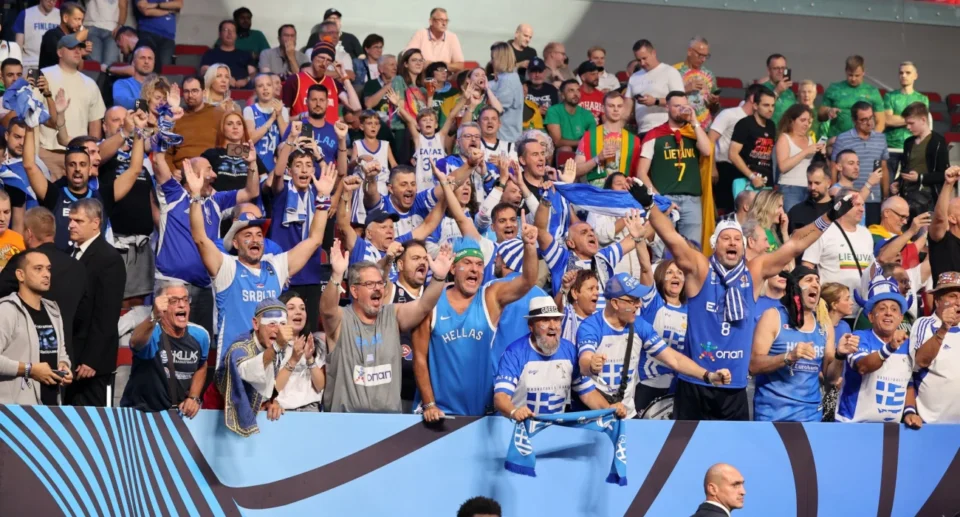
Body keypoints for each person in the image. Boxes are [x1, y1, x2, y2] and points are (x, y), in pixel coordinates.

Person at [632, 179, 853, 420]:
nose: (732, 242)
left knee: (732, 446)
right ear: (715, 244)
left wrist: (829, 217)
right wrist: (649, 205)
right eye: (726, 238)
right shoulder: (701, 269)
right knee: (688, 445)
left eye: (737, 239)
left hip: (734, 386)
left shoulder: (753, 273)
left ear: (744, 246)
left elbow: (795, 245)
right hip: (695, 382)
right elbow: (672, 238)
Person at [187, 157, 334, 363]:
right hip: (234, 366)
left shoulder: (276, 266)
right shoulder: (226, 267)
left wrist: (323, 199)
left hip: (270, 366)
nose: (255, 239)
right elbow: (200, 238)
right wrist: (195, 196)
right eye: (247, 235)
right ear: (235, 243)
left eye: (259, 235)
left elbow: (315, 239)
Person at [414, 228, 540, 420]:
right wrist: (429, 404)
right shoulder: (432, 302)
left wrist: (529, 246)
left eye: (480, 264)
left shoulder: (490, 298)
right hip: (440, 413)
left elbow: (527, 281)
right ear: (453, 268)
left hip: (482, 413)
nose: (474, 269)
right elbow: (419, 358)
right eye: (467, 263)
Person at [320, 240, 452, 413]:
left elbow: (423, 306)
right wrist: (337, 276)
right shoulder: (341, 320)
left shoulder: (393, 315)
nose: (377, 289)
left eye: (380, 283)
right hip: (346, 422)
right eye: (369, 284)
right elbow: (327, 310)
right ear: (354, 291)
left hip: (389, 422)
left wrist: (439, 278)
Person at [577, 272, 731, 419]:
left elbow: (674, 359)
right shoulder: (591, 327)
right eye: (633, 300)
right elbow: (584, 362)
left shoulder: (639, 325)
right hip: (595, 414)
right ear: (615, 303)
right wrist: (591, 365)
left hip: (627, 414)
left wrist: (708, 376)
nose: (639, 305)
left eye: (639, 299)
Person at [494, 296, 627, 419]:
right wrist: (514, 411)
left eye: (556, 320)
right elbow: (501, 397)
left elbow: (587, 393)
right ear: (531, 326)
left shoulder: (569, 350)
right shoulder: (514, 353)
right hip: (520, 430)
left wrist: (609, 410)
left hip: (555, 430)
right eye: (545, 320)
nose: (553, 326)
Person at [750, 266, 851, 421]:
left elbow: (830, 378)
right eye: (809, 280)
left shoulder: (824, 324)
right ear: (795, 287)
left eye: (817, 281)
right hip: (773, 413)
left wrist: (839, 355)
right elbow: (753, 365)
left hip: (810, 415)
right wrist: (788, 357)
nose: (815, 284)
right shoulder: (773, 317)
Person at [0, 207, 87, 358]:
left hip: (27, 356)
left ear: (29, 233)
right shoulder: (78, 267)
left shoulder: (23, 261)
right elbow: (83, 316)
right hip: (64, 357)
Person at [65, 198, 125, 406]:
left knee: (90, 422)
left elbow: (107, 315)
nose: (71, 225)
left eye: (78, 221)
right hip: (72, 357)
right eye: (70, 220)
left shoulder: (109, 259)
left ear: (95, 223)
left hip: (92, 365)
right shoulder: (71, 253)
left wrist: (91, 359)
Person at [120, 280, 207, 415]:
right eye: (174, 301)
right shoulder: (152, 333)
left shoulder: (200, 335)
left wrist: (193, 397)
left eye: (185, 300)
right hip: (141, 414)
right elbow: (135, 343)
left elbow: (201, 365)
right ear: (161, 306)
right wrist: (153, 315)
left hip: (177, 416)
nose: (182, 305)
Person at [637, 91, 712, 244]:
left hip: (692, 200)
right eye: (677, 106)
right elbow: (641, 173)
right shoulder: (654, 135)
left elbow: (707, 150)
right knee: (662, 247)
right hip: (665, 198)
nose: (682, 110)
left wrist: (695, 122)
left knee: (692, 248)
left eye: (685, 106)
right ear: (667, 107)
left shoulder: (694, 133)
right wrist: (658, 198)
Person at [0, 249, 72, 404]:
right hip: (15, 410)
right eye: (38, 269)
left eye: (48, 269)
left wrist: (64, 366)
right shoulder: (6, 310)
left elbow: (61, 352)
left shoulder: (53, 310)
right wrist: (29, 369)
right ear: (20, 275)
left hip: (50, 405)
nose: (46, 274)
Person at [836, 276, 911, 422]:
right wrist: (890, 347)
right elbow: (862, 366)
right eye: (882, 308)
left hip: (892, 429)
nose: (888, 313)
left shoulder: (908, 344)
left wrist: (910, 411)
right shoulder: (857, 338)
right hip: (853, 425)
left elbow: (910, 383)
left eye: (894, 309)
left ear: (900, 317)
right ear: (870, 317)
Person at [215, 298, 289, 436]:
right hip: (217, 413)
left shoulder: (278, 347)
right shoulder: (240, 348)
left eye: (283, 324)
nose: (279, 330)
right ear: (256, 324)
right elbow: (247, 371)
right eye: (272, 323)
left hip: (255, 412)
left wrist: (271, 401)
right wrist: (276, 347)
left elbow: (268, 382)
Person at [39, 34, 106, 177]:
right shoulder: (44, 75)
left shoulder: (90, 84)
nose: (77, 51)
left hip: (79, 156)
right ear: (59, 52)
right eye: (71, 48)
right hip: (48, 152)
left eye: (79, 48)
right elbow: (34, 113)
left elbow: (95, 123)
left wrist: (91, 153)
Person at [909, 271, 960, 425]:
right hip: (931, 424)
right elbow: (920, 361)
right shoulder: (924, 324)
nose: (958, 302)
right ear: (937, 301)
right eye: (952, 296)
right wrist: (943, 329)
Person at [801, 189, 873, 294]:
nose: (862, 209)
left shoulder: (866, 233)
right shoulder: (823, 231)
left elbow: (870, 269)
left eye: (862, 205)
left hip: (862, 301)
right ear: (842, 205)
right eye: (857, 205)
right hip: (832, 301)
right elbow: (807, 266)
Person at [831, 101, 889, 222]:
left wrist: (885, 196)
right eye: (864, 120)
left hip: (874, 199)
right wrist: (835, 194)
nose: (869, 122)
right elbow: (833, 168)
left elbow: (884, 168)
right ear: (854, 120)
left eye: (871, 118)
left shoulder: (881, 138)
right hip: (850, 198)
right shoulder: (843, 139)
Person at [710, 85, 760, 214]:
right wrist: (712, 167)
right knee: (724, 209)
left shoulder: (757, 121)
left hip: (744, 169)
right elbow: (711, 139)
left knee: (741, 210)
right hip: (724, 168)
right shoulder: (729, 114)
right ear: (753, 99)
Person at [273, 291, 325, 412]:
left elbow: (320, 386)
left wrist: (310, 359)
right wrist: (293, 360)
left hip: (311, 410)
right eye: (291, 308)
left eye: (302, 308)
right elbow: (273, 389)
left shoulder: (315, 344)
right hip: (282, 411)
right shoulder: (272, 347)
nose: (298, 312)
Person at [282, 41, 360, 122]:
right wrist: (302, 116)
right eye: (321, 58)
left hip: (331, 129)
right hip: (306, 128)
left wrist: (344, 76)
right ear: (313, 57)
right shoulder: (295, 80)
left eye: (328, 60)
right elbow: (284, 120)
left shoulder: (333, 83)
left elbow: (356, 108)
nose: (324, 63)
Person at [575, 91, 640, 187]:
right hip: (595, 192)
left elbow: (639, 175)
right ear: (603, 108)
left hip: (623, 193)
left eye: (619, 106)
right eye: (611, 106)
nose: (616, 109)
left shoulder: (634, 141)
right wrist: (597, 159)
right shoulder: (589, 136)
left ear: (623, 109)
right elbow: (575, 171)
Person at [624, 39, 684, 136]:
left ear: (654, 53)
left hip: (666, 130)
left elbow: (681, 102)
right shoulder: (634, 77)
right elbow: (626, 109)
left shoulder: (670, 72)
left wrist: (655, 101)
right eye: (639, 60)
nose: (642, 63)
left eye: (644, 58)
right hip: (643, 130)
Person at [164, 76, 225, 171]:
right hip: (182, 172)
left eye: (194, 91)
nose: (190, 95)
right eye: (186, 91)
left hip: (211, 171)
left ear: (204, 92)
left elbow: (227, 144)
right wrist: (172, 171)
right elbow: (167, 152)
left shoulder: (218, 114)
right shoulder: (176, 116)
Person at [821, 55, 885, 139]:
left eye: (857, 75)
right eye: (850, 75)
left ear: (863, 72)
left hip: (862, 140)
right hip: (836, 139)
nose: (853, 79)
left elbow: (881, 121)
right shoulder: (834, 89)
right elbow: (820, 115)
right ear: (845, 71)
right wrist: (828, 111)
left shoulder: (872, 91)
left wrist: (872, 139)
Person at [728, 87, 776, 196]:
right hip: (745, 181)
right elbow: (732, 154)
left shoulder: (771, 125)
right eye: (766, 105)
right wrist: (752, 176)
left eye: (773, 105)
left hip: (766, 181)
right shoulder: (744, 124)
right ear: (755, 105)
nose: (770, 109)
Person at [883, 62, 929, 177]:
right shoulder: (889, 96)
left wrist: (897, 118)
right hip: (891, 147)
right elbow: (887, 120)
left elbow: (922, 123)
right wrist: (913, 119)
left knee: (908, 183)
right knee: (887, 183)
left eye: (908, 73)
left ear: (915, 76)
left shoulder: (923, 99)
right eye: (901, 73)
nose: (903, 75)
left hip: (913, 147)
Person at [776, 104, 824, 213]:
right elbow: (783, 166)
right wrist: (806, 151)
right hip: (790, 188)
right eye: (803, 120)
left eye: (809, 121)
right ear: (792, 121)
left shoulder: (810, 139)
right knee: (793, 219)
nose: (806, 124)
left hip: (809, 188)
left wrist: (821, 154)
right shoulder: (785, 138)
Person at [900, 102, 948, 205]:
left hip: (929, 198)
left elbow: (943, 174)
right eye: (906, 124)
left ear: (923, 120)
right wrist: (897, 183)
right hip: (907, 196)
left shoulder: (938, 142)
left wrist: (920, 178)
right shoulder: (908, 142)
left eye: (911, 123)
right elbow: (905, 169)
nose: (908, 127)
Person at [244, 73, 290, 173]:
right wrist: (271, 119)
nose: (265, 88)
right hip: (257, 166)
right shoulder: (249, 110)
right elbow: (250, 139)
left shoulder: (283, 110)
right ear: (255, 90)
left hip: (277, 165)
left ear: (273, 88)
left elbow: (287, 139)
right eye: (260, 86)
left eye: (268, 85)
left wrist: (279, 115)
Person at [674, 36, 717, 128]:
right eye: (700, 55)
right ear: (689, 51)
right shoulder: (674, 71)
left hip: (704, 129)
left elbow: (714, 110)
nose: (703, 59)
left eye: (706, 56)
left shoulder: (709, 75)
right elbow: (666, 100)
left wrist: (714, 103)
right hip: (681, 128)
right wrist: (685, 90)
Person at [201, 21, 257, 90]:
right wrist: (225, 78)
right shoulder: (210, 53)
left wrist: (246, 80)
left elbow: (253, 73)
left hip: (242, 91)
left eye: (233, 31)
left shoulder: (245, 54)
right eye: (226, 30)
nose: (230, 33)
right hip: (217, 91)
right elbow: (204, 71)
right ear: (220, 34)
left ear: (236, 35)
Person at [545, 79, 597, 152]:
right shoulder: (553, 111)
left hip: (582, 150)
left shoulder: (587, 113)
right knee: (566, 149)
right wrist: (581, 142)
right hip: (561, 151)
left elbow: (593, 137)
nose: (576, 94)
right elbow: (557, 142)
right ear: (563, 95)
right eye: (571, 90)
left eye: (578, 90)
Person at [929, 167, 960, 284]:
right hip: (948, 295)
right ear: (952, 218)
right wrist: (948, 184)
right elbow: (940, 219)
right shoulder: (942, 241)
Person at [488, 41, 522, 143]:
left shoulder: (507, 80)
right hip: (505, 137)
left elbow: (497, 109)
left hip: (505, 139)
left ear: (500, 59)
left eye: (493, 58)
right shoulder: (506, 77)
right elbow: (491, 85)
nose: (491, 62)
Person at [37, 1, 86, 71]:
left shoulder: (76, 39)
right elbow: (65, 63)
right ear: (65, 18)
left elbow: (78, 69)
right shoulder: (51, 35)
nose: (80, 24)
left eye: (81, 20)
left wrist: (81, 55)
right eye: (77, 19)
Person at [787, 163, 834, 233]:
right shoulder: (796, 211)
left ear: (828, 183)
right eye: (810, 183)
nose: (813, 187)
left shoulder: (837, 210)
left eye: (817, 183)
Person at [135, 0, 181, 70]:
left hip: (168, 36)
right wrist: (169, 10)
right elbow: (145, 10)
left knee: (165, 70)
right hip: (148, 32)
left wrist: (154, 5)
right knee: (145, 67)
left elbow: (179, 4)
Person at [13, 0, 58, 68]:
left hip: (54, 65)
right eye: (49, 0)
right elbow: (18, 47)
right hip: (29, 64)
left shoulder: (61, 15)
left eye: (54, 0)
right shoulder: (25, 14)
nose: (51, 2)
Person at [83, 0, 124, 68]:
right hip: (93, 25)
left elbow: (123, 5)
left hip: (112, 28)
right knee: (96, 67)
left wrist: (120, 26)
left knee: (107, 67)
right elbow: (123, 5)